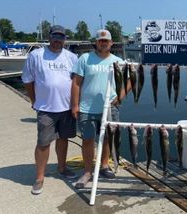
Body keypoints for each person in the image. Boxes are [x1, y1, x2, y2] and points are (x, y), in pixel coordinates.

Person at [22, 25, 78, 195]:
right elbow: (27, 81)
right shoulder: (36, 55)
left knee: (63, 139)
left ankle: (62, 168)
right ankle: (39, 177)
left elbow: (76, 82)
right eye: (55, 36)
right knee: (43, 143)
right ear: (49, 37)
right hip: (46, 108)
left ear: (65, 39)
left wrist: (75, 104)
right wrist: (34, 100)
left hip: (67, 108)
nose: (58, 40)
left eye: (61, 37)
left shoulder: (72, 57)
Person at [71, 29, 127, 189]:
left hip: (110, 107)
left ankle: (104, 165)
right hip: (87, 108)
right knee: (87, 140)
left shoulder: (118, 61)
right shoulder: (85, 59)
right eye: (100, 40)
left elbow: (131, 80)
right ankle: (87, 171)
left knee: (108, 138)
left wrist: (120, 96)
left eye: (106, 40)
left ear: (111, 43)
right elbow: (76, 83)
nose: (103, 43)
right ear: (95, 42)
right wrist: (74, 105)